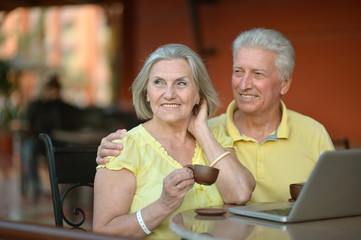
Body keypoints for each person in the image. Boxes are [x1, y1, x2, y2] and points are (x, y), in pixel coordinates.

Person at [96, 28, 335, 203]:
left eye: (258, 74)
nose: (244, 84)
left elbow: (336, 201)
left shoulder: (313, 133)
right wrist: (115, 149)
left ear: (284, 84)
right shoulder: (211, 132)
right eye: (238, 71)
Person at [92, 44, 255, 239]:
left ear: (198, 96)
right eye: (159, 82)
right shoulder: (123, 147)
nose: (169, 94)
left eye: (181, 83)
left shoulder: (215, 137)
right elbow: (103, 233)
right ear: (147, 93)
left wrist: (201, 130)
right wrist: (163, 205)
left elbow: (240, 194)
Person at [21, 74, 79, 197]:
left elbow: (72, 123)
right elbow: (27, 120)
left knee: (72, 152)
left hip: (59, 142)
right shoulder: (37, 105)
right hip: (39, 141)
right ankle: (34, 183)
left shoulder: (63, 106)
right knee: (28, 147)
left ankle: (68, 187)